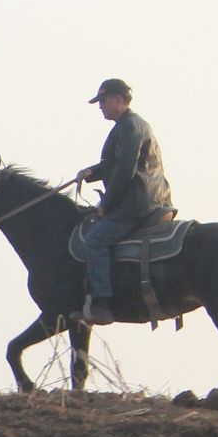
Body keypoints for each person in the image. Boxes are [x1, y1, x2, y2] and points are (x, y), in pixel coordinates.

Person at [74, 78, 173, 324]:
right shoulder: (129, 126)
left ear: (119, 99)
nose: (100, 107)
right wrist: (91, 173)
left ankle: (102, 304)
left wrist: (106, 202)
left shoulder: (130, 126)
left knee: (95, 240)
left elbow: (125, 169)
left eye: (103, 100)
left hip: (138, 203)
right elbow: (115, 164)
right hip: (150, 199)